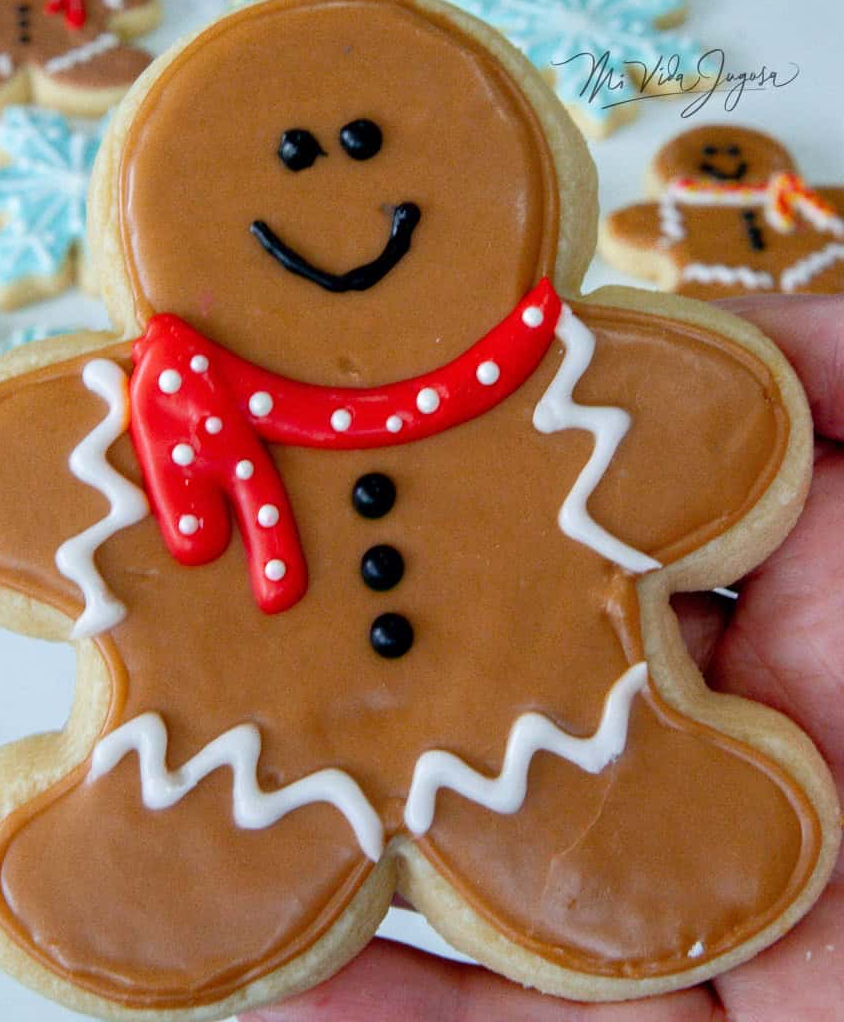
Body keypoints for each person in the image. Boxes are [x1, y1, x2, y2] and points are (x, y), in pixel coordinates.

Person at [241, 294, 844, 1022]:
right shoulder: (158, 402)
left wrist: (722, 393)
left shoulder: (570, 366)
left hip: (569, 744)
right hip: (247, 756)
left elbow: (725, 421)